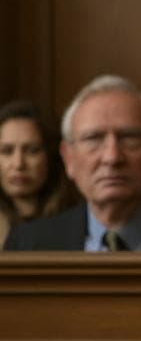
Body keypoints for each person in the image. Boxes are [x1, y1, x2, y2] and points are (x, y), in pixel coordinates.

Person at [4, 76, 141, 252]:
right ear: (68, 157)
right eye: (93, 139)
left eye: (130, 137)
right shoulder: (28, 244)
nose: (112, 157)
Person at [0, 100, 77, 247]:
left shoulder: (79, 220)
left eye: (32, 150)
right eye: (6, 151)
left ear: (51, 155)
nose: (18, 164)